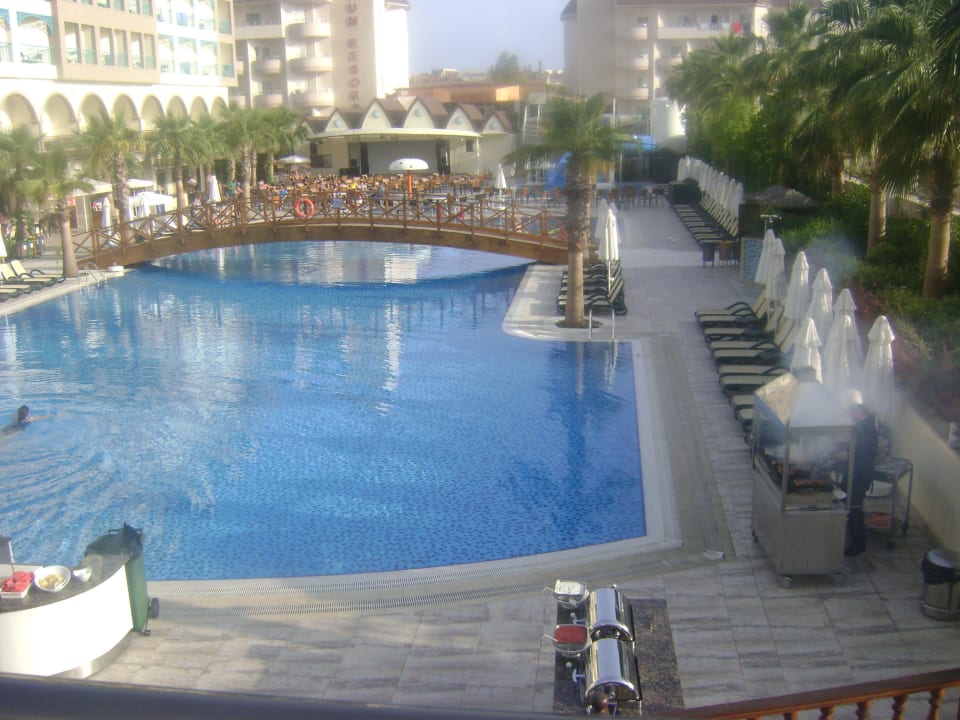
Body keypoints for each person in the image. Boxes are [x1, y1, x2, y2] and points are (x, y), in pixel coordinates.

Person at [843, 389, 879, 556]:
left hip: (860, 475)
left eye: (849, 410)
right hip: (855, 471)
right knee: (848, 504)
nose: (848, 413)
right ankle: (848, 532)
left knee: (854, 506)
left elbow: (860, 454)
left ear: (856, 410)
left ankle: (858, 544)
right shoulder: (862, 426)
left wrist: (844, 455)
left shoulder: (867, 430)